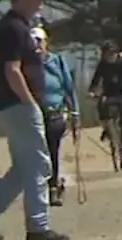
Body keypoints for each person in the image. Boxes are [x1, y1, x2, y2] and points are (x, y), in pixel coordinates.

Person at [0, 0, 68, 240]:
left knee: (23, 169)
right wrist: (30, 102)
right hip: (19, 106)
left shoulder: (20, 27)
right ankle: (38, 227)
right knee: (38, 165)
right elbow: (12, 70)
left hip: (15, 106)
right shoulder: (12, 28)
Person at [32, 26, 79, 207]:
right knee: (37, 153)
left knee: (51, 150)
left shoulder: (57, 62)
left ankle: (53, 187)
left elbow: (68, 89)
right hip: (33, 114)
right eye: (32, 41)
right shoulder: (25, 64)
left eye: (39, 41)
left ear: (46, 42)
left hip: (55, 114)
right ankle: (41, 186)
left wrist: (75, 113)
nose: (36, 45)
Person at [88, 41, 122, 165]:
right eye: (106, 53)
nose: (108, 56)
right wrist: (92, 91)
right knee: (101, 105)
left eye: (111, 53)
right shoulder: (102, 65)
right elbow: (96, 79)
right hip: (108, 94)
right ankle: (107, 128)